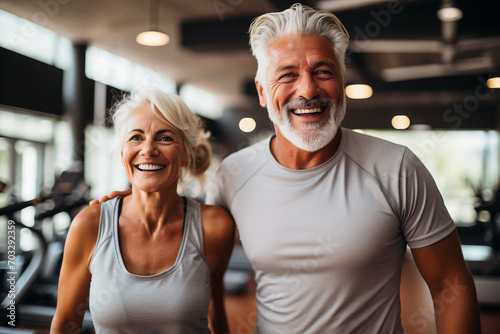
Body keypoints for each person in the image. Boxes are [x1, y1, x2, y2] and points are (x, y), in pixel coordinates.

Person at [93, 4, 481, 333]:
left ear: (342, 82)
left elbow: (451, 281)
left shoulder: (397, 168)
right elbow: (193, 257)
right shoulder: (234, 175)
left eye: (323, 71)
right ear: (263, 92)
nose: (308, 90)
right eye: (288, 74)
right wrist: (135, 199)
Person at [51, 89, 235, 334]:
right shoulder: (89, 225)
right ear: (122, 153)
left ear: (187, 155)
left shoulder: (215, 226)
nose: (148, 149)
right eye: (136, 137)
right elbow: (64, 325)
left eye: (165, 138)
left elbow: (216, 312)